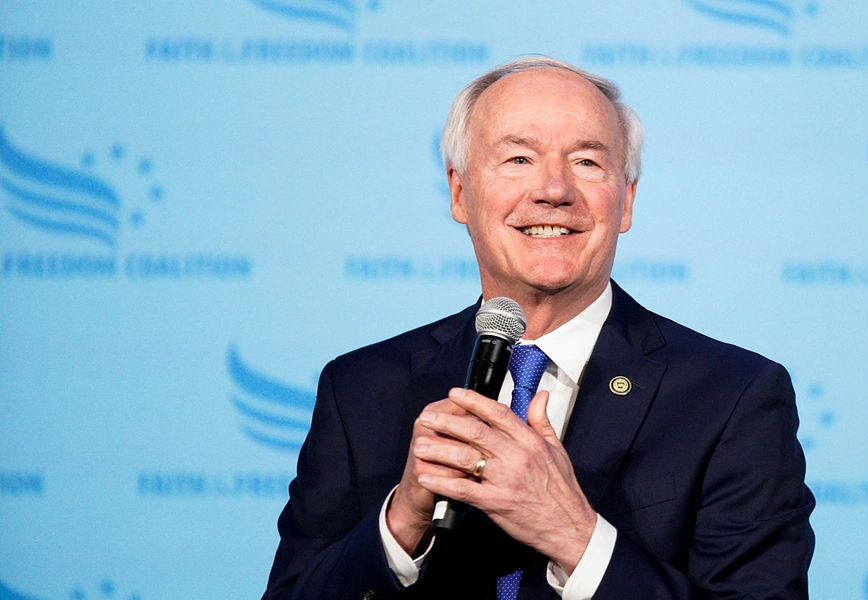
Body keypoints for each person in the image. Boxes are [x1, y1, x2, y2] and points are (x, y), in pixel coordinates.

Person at [262, 57, 815, 600]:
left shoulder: (732, 396)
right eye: (520, 159)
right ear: (459, 193)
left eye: (588, 163)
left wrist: (575, 537)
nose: (554, 189)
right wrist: (400, 523)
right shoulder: (360, 388)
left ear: (626, 200)